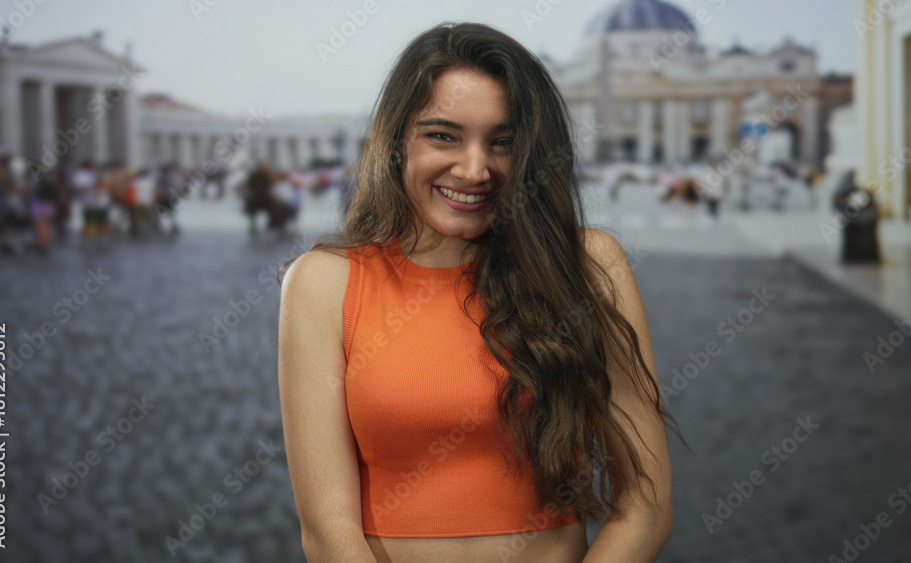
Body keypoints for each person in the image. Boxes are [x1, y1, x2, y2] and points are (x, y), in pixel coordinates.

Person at [276, 23, 675, 563]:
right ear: (396, 142)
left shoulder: (587, 265)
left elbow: (647, 503)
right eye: (442, 136)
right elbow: (328, 532)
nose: (474, 169)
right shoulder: (323, 283)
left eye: (503, 142)